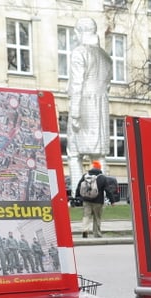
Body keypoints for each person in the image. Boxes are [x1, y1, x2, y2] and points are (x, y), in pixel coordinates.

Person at [66, 18, 113, 184]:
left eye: (75, 33)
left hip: (84, 105)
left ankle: (77, 193)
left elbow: (77, 84)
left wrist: (75, 113)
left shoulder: (80, 52)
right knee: (98, 155)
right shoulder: (106, 57)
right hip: (101, 107)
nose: (74, 37)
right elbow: (107, 86)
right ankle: (99, 192)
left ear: (80, 32)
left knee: (74, 153)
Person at [77, 161, 106, 238]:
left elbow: (79, 186)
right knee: (97, 217)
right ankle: (97, 234)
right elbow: (108, 190)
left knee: (86, 216)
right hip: (98, 201)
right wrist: (112, 201)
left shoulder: (85, 176)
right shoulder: (102, 177)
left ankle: (85, 230)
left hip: (86, 200)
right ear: (99, 168)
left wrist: (78, 197)